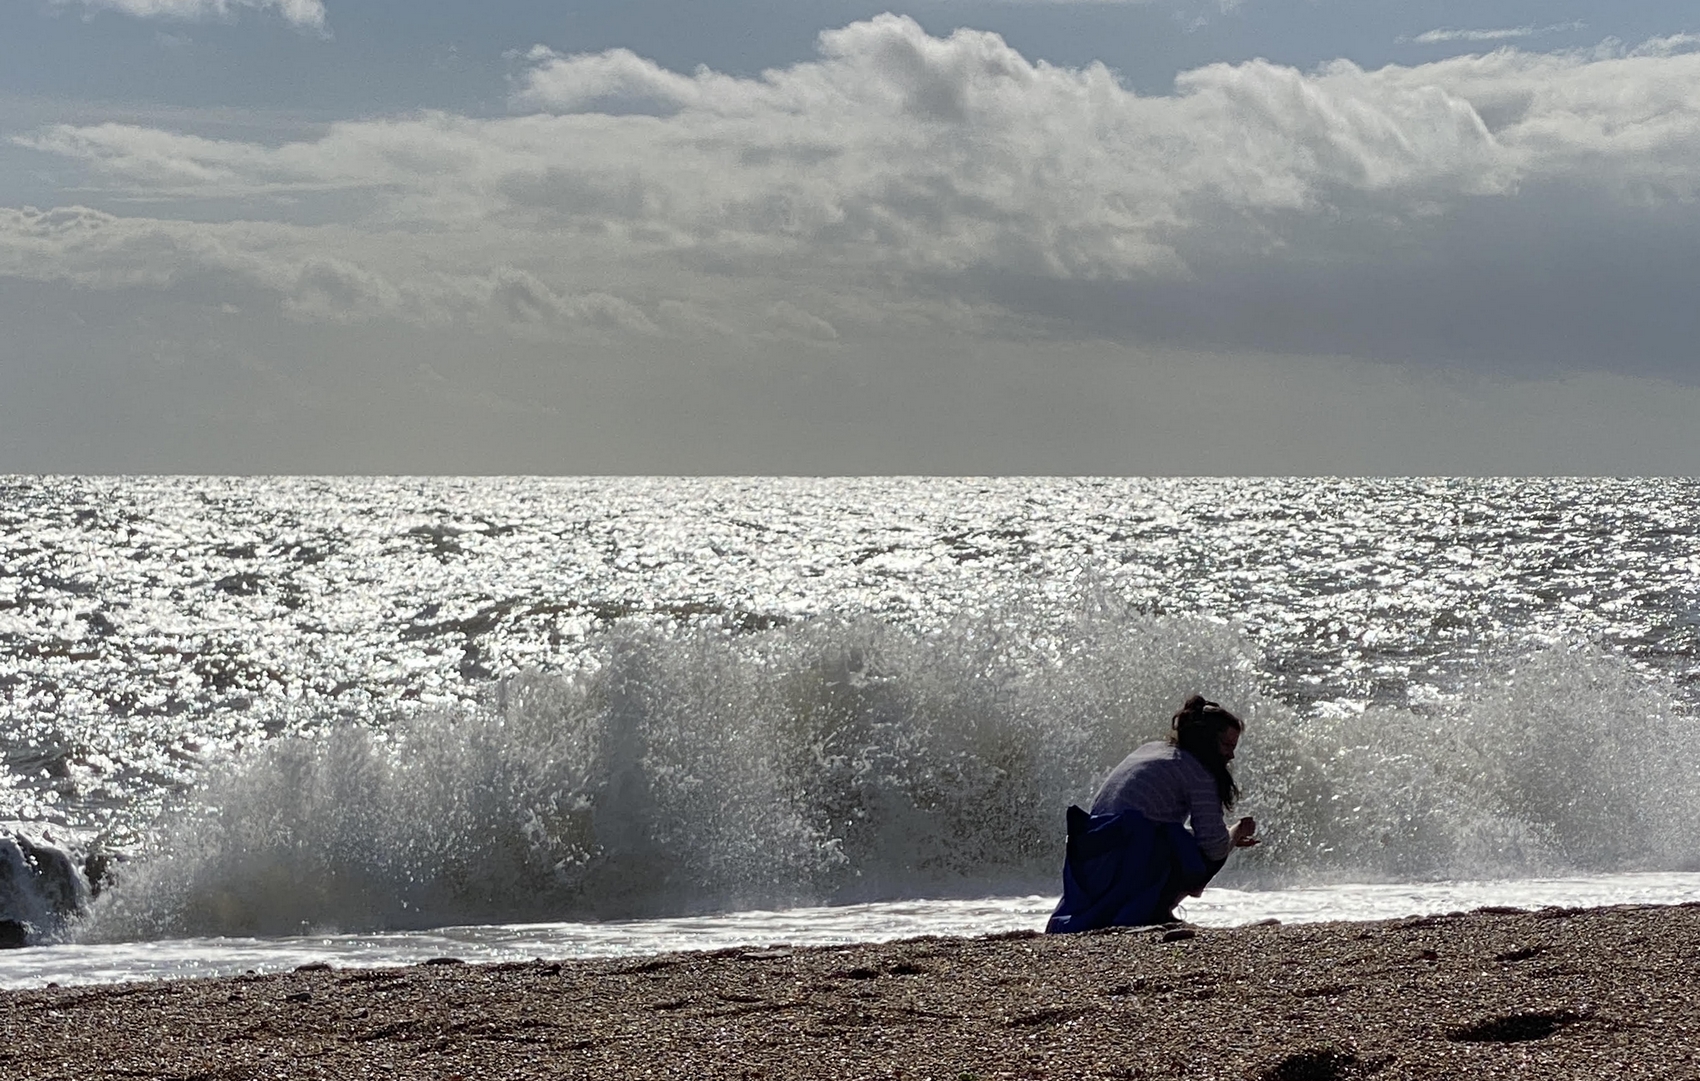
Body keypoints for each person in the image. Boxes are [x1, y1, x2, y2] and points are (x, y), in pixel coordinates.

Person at [1046, 695, 1259, 933]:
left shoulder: (1153, 749)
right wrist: (1237, 829)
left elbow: (1140, 816)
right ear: (1207, 741)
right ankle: (1156, 910)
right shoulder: (1197, 771)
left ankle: (1148, 909)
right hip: (1124, 860)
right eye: (1227, 746)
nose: (1231, 756)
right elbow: (1214, 847)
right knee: (1186, 846)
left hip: (1088, 857)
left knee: (1174, 837)